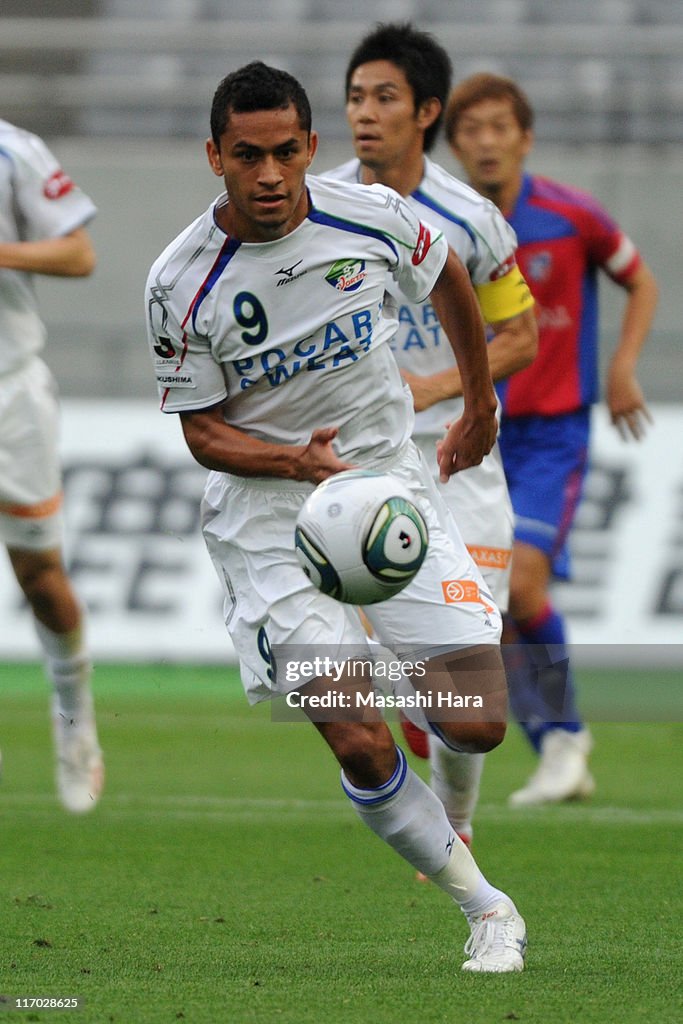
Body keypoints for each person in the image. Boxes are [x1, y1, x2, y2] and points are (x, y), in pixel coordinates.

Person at [145, 61, 526, 972]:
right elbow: (201, 430)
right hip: (269, 516)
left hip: (389, 484)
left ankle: (379, 674)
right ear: (215, 157)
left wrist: (477, 406)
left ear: (310, 149)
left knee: (474, 721)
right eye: (247, 156)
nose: (268, 174)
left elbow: (451, 288)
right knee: (354, 734)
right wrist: (291, 461)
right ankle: (486, 909)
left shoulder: (375, 217)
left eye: (284, 153)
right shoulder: (179, 281)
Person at [326, 23, 537, 849]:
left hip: (459, 458)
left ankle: (455, 821)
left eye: (383, 98)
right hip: (366, 463)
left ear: (426, 113)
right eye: (353, 97)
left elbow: (518, 335)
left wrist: (441, 389)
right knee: (416, 660)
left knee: (470, 653)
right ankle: (447, 828)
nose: (364, 114)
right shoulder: (321, 203)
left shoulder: (469, 219)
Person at [444, 73, 659, 805]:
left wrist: (621, 366)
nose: (485, 141)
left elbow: (642, 282)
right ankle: (556, 746)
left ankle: (564, 735)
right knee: (483, 603)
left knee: (522, 583)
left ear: (524, 137)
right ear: (453, 145)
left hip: (551, 436)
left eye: (498, 126)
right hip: (478, 432)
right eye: (469, 129)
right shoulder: (445, 226)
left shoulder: (572, 216)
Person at [0, 118, 103, 812]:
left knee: (40, 576)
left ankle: (75, 721)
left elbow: (78, 254)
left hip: (8, 392)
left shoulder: (13, 151)